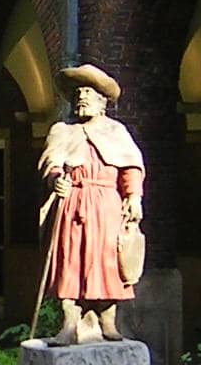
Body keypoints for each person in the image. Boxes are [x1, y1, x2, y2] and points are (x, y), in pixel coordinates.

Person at [36, 63, 144, 345]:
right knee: (70, 261)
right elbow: (51, 164)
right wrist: (56, 179)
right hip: (73, 204)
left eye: (88, 93)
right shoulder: (62, 130)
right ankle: (69, 323)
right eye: (78, 93)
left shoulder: (116, 132)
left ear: (101, 101)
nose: (81, 98)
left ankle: (107, 319)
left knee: (107, 262)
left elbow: (130, 167)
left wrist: (134, 197)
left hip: (107, 206)